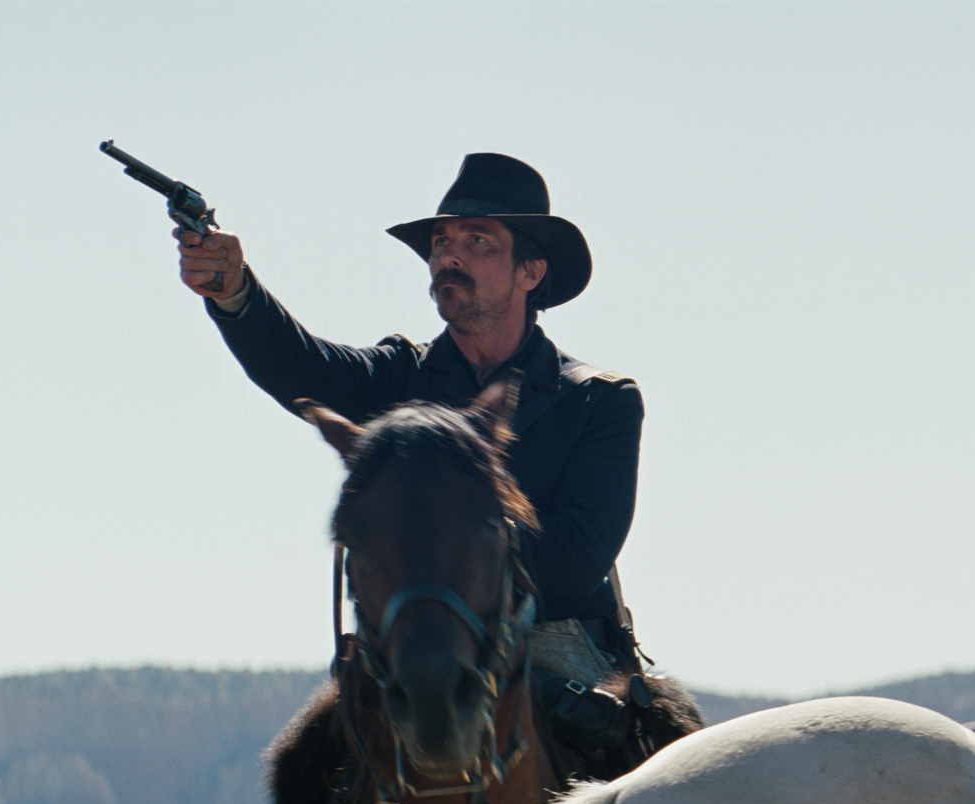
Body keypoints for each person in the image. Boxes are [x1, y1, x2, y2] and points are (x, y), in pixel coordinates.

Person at [174, 153, 642, 682]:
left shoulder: (599, 401)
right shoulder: (402, 374)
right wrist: (236, 291)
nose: (449, 257)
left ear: (530, 272)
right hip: (412, 643)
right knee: (307, 759)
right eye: (441, 243)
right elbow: (302, 367)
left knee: (655, 757)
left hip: (557, 649)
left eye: (477, 241)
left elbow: (578, 559)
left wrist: (447, 536)